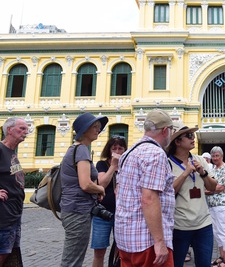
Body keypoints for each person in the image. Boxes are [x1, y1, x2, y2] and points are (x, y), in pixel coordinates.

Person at [115, 109, 175, 267]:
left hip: (126, 238)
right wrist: (160, 242)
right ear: (165, 130)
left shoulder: (129, 152)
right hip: (146, 241)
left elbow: (119, 192)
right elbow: (149, 198)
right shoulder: (155, 154)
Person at [167, 121, 218, 267]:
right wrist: (185, 173)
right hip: (179, 225)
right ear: (177, 141)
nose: (192, 138)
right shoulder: (167, 163)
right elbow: (168, 192)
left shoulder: (200, 160)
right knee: (176, 264)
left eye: (193, 135)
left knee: (204, 264)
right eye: (188, 135)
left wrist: (203, 173)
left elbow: (213, 187)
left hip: (204, 224)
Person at [60, 113, 108, 267]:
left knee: (74, 257)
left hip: (75, 209)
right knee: (72, 260)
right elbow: (85, 184)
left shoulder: (78, 149)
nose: (98, 130)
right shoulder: (81, 150)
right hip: (77, 211)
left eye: (99, 128)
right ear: (84, 130)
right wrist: (100, 188)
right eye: (94, 127)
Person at [91, 135, 127, 267]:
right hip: (103, 214)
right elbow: (101, 184)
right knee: (99, 250)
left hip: (123, 214)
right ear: (109, 150)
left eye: (120, 148)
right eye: (114, 148)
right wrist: (113, 166)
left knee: (121, 250)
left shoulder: (128, 165)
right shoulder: (102, 164)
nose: (117, 152)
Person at [0, 117, 29, 266]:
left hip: (14, 214)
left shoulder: (11, 152)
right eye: (22, 128)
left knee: (10, 254)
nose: (26, 132)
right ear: (9, 130)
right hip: (3, 215)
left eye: (27, 128)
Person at [206, 146, 225, 267]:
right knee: (217, 232)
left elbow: (220, 188)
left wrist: (204, 191)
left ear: (222, 156)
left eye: (217, 156)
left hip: (222, 204)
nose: (215, 158)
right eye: (213, 156)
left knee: (223, 231)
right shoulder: (213, 169)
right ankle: (222, 257)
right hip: (213, 205)